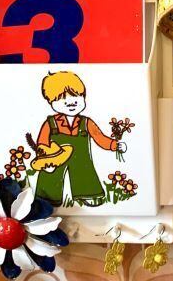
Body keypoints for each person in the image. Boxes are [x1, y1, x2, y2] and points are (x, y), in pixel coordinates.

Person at [31, 70, 125, 207]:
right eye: (62, 99)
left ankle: (88, 193)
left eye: (76, 97)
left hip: (81, 157)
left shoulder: (86, 122)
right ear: (51, 101)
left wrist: (114, 145)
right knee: (51, 173)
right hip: (55, 156)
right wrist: (45, 162)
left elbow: (99, 137)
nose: (71, 103)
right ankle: (47, 198)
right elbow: (42, 143)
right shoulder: (50, 123)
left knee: (84, 168)